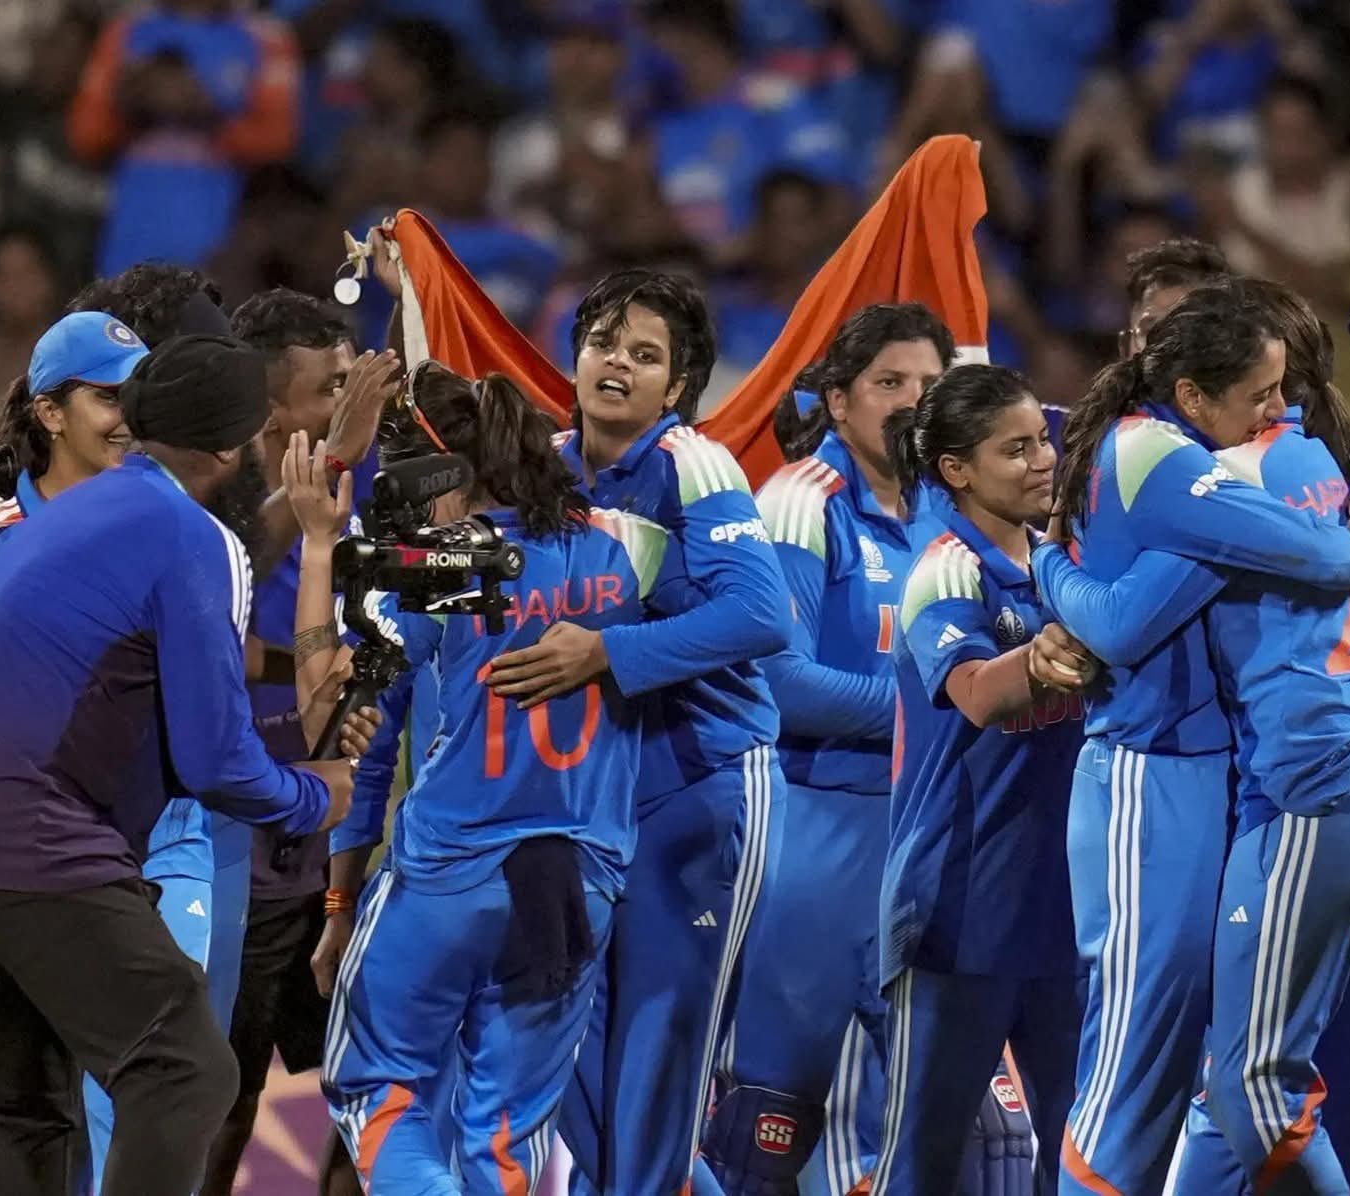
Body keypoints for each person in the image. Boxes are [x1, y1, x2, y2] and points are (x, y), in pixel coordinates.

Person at [1037, 282, 1350, 1194]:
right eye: (1263, 390)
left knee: (1234, 1078)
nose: (1276, 404)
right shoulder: (1320, 456)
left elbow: (1122, 624)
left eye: (1279, 386)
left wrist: (1044, 560)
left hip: (1306, 786)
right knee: (1270, 1071)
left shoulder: (1221, 479)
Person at [0, 334, 356, 1195]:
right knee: (187, 1072)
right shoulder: (194, 536)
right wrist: (310, 796)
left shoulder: (60, 516)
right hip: (38, 843)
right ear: (233, 447)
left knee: (31, 1107)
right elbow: (218, 761)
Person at [312, 363, 653, 1191]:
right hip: (576, 883)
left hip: (450, 873)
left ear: (438, 479)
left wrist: (339, 901)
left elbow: (342, 718)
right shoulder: (619, 552)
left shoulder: (439, 568)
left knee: (373, 1088)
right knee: (507, 1132)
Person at [488, 268, 790, 1196]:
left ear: (677, 385)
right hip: (579, 801)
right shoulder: (538, 470)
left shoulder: (693, 464)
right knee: (569, 1051)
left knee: (657, 1072)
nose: (617, 363)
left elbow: (761, 615)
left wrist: (606, 654)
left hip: (699, 787)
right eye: (603, 344)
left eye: (645, 354)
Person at [709, 302, 953, 1194]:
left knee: (957, 1128)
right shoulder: (801, 500)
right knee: (767, 1127)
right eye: (890, 382)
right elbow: (778, 681)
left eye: (930, 384)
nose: (914, 401)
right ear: (838, 401)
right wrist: (935, 710)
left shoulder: (955, 506)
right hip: (817, 836)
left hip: (934, 838)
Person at [869, 365, 1091, 1194]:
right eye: (1016, 449)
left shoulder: (1061, 565)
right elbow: (973, 691)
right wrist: (1041, 658)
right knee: (924, 1161)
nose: (1042, 460)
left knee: (1076, 1153)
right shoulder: (945, 567)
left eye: (1042, 442)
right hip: (959, 908)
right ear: (957, 470)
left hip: (1067, 909)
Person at [205, 288, 389, 1196]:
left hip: (339, 849)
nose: (352, 406)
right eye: (331, 390)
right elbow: (227, 605)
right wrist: (309, 675)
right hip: (239, 857)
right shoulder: (211, 500)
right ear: (271, 411)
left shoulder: (353, 497)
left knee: (370, 1091)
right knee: (222, 1096)